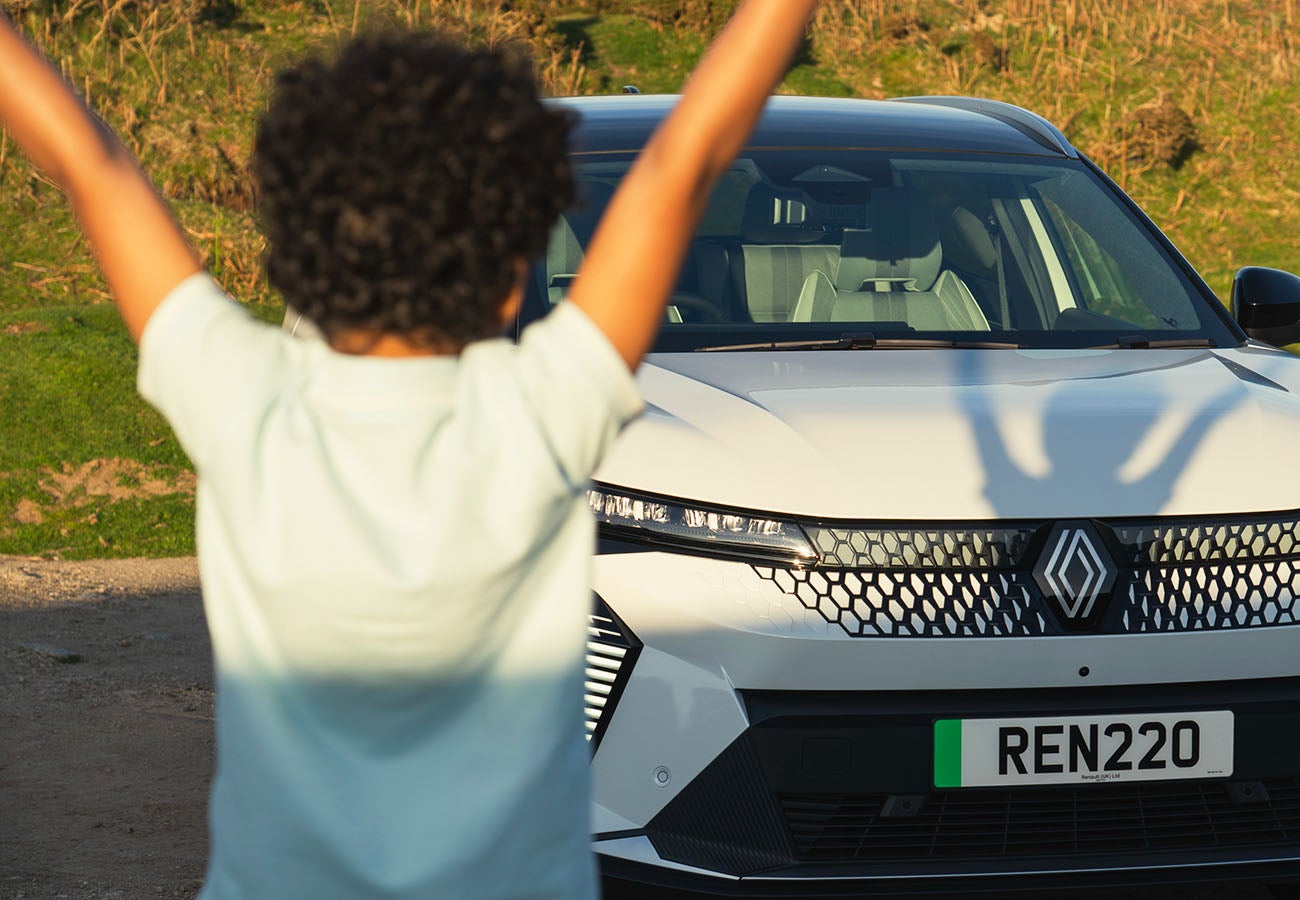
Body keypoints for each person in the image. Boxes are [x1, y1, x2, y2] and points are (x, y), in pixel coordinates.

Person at [0, 1, 816, 897]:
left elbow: (92, 166)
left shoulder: (243, 398)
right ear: (514, 269)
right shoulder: (538, 410)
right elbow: (682, 163)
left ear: (293, 241)